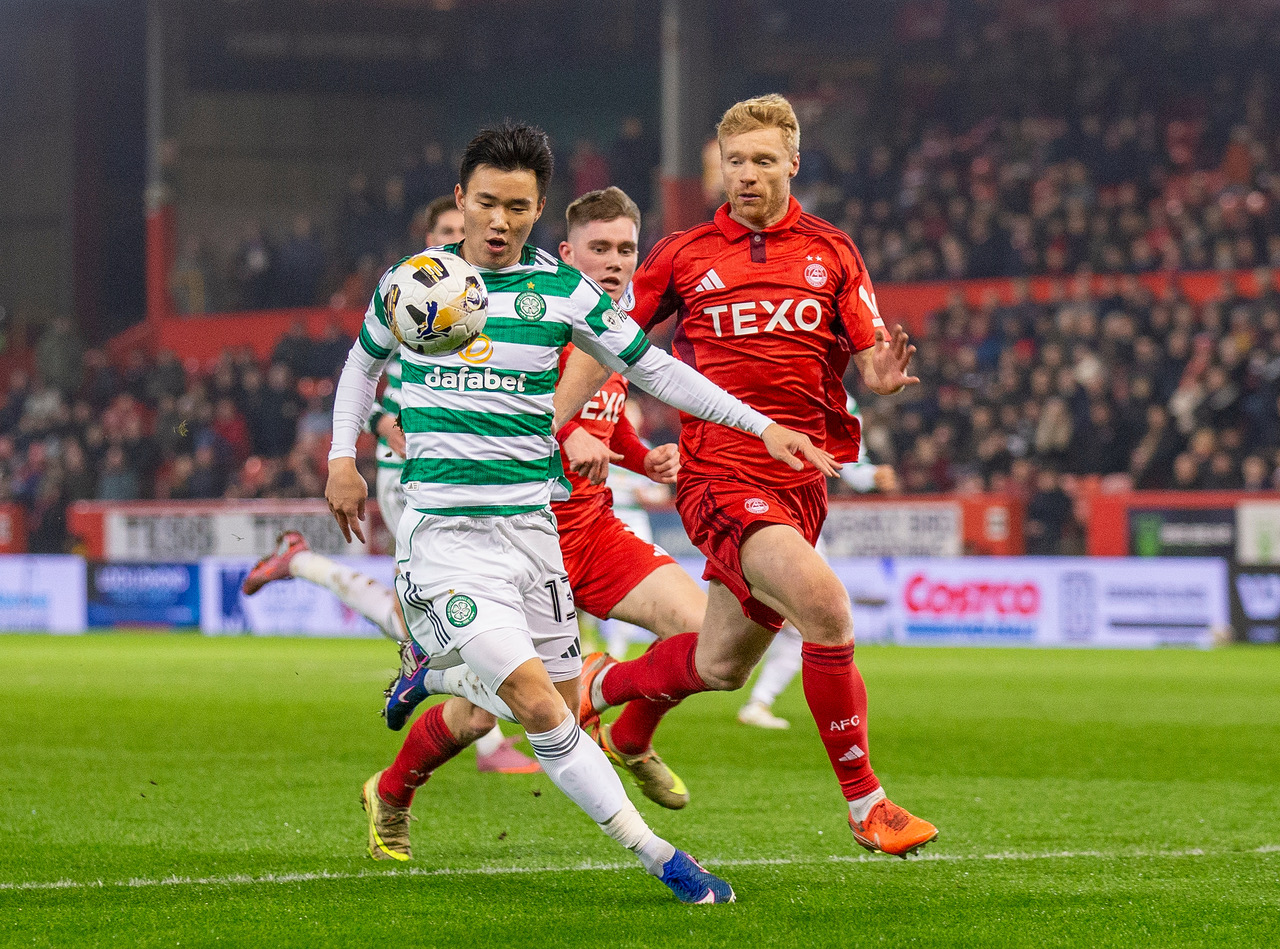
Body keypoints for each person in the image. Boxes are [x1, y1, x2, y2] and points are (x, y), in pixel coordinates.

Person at [325, 122, 834, 901]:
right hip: (446, 536)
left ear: (538, 210)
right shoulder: (415, 284)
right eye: (487, 204)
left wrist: (760, 425)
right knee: (535, 704)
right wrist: (341, 459)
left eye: (519, 208)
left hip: (535, 537)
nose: (500, 222)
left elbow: (655, 367)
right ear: (461, 199)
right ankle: (664, 857)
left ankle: (417, 722)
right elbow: (362, 363)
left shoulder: (563, 295)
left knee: (551, 705)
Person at [565, 95, 939, 858]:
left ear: (793, 163)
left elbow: (867, 358)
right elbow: (603, 341)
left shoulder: (834, 251)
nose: (745, 175)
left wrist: (884, 375)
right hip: (719, 475)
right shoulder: (684, 254)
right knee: (826, 606)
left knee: (719, 662)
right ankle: (867, 802)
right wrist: (557, 423)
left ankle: (604, 693)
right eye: (734, 161)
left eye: (762, 160)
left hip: (804, 479)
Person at [241, 198, 540, 775]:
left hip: (464, 479)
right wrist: (378, 425)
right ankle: (486, 741)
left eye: (464, 231)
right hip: (412, 478)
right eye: (449, 232)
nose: (463, 240)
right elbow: (366, 372)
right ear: (430, 241)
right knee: (436, 624)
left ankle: (300, 562)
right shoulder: (413, 298)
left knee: (432, 623)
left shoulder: (485, 304)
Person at [739, 412, 898, 729]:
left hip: (803, 517)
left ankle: (760, 701)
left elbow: (848, 461)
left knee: (796, 624)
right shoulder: (755, 375)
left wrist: (872, 476)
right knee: (725, 650)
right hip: (748, 503)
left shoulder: (841, 401)